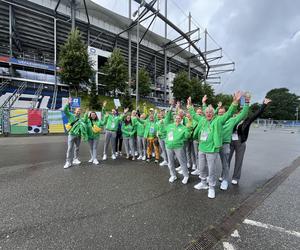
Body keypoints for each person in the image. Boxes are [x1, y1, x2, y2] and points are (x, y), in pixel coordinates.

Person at [191, 92, 242, 198]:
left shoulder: (218, 121)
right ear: (205, 113)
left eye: (210, 112)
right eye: (207, 112)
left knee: (212, 169)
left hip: (212, 150)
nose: (208, 113)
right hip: (202, 148)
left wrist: (235, 102)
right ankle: (203, 183)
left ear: (213, 113)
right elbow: (194, 115)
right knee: (201, 167)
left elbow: (228, 114)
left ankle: (211, 187)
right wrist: (190, 105)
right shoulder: (203, 120)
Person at [229, 97, 272, 185]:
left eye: (243, 112)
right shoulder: (233, 119)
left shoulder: (247, 120)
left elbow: (257, 114)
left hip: (240, 141)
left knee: (239, 160)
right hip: (230, 141)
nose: (242, 114)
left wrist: (264, 104)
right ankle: (223, 175)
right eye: (240, 112)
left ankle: (235, 177)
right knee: (227, 159)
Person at [218, 95, 250, 190]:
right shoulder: (216, 120)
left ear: (227, 113)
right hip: (215, 144)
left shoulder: (232, 120)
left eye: (223, 113)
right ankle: (213, 177)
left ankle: (228, 179)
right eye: (219, 113)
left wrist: (246, 103)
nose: (221, 114)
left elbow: (243, 114)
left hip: (227, 143)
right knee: (212, 161)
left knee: (227, 161)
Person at [164, 100, 191, 184]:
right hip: (169, 146)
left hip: (178, 147)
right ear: (174, 118)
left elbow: (187, 136)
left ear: (181, 119)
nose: (177, 119)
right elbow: (167, 117)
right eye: (176, 118)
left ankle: (186, 176)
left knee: (182, 161)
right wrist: (172, 106)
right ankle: (173, 175)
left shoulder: (183, 127)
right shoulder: (169, 125)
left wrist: (188, 129)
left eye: (179, 118)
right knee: (170, 162)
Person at [63, 97, 88, 169]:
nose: (78, 112)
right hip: (71, 135)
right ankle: (68, 162)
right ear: (75, 111)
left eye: (79, 111)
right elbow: (65, 110)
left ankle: (75, 159)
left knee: (77, 148)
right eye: (77, 111)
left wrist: (86, 113)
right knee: (70, 148)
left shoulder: (81, 119)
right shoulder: (71, 115)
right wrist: (68, 103)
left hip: (78, 135)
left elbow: (85, 120)